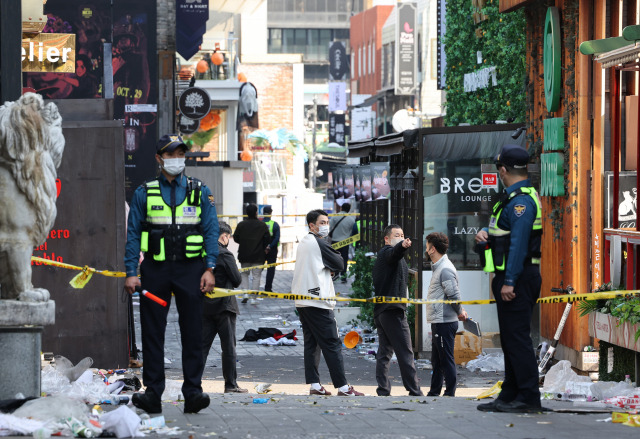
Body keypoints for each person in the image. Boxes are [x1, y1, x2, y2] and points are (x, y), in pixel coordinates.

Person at [124, 134, 218, 414]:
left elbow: (211, 230)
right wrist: (131, 272)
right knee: (153, 333)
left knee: (192, 332)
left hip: (192, 270)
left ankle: (193, 393)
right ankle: (153, 393)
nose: (177, 158)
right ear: (159, 158)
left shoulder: (199, 190)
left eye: (180, 153)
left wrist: (210, 268)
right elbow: (132, 235)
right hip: (155, 270)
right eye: (171, 154)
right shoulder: (144, 192)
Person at [474, 144, 543, 413]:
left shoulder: (521, 202)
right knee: (511, 340)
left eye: (499, 168)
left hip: (518, 276)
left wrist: (510, 281)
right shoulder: (513, 199)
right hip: (511, 275)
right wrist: (484, 234)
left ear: (503, 170)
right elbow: (504, 235)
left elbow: (519, 246)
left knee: (518, 339)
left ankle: (527, 397)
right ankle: (510, 394)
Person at [293, 209, 363, 397]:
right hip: (318, 301)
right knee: (331, 343)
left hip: (303, 300)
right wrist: (331, 268)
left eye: (326, 222)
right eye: (322, 222)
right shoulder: (318, 243)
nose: (325, 226)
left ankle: (315, 385)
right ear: (312, 225)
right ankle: (343, 387)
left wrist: (327, 269)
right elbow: (340, 262)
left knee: (312, 344)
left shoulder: (304, 242)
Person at [372, 225, 424, 397]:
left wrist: (400, 248)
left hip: (383, 310)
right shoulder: (387, 253)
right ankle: (414, 390)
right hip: (392, 311)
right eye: (397, 235)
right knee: (405, 352)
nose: (401, 237)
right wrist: (401, 247)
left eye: (402, 235)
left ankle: (383, 389)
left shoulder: (388, 256)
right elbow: (394, 254)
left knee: (384, 352)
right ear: (387, 239)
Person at [201, 221, 247, 393]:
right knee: (228, 347)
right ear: (224, 236)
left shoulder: (202, 252)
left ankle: (193, 381)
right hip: (224, 307)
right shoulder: (225, 254)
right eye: (228, 236)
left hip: (205, 306)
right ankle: (231, 384)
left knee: (202, 347)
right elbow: (236, 280)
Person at [424, 232, 468, 397]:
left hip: (444, 321)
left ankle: (450, 392)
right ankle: (434, 391)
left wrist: (460, 311)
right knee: (437, 360)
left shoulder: (445, 269)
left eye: (427, 246)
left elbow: (453, 295)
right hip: (439, 320)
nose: (426, 249)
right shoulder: (439, 267)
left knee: (446, 358)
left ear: (432, 249)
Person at [233, 203, 270, 303]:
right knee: (256, 276)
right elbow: (267, 239)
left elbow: (235, 237)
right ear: (256, 212)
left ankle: (245, 293)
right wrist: (262, 246)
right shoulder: (262, 225)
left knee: (244, 274)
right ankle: (253, 298)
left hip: (244, 254)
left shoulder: (241, 224)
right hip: (258, 255)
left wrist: (244, 242)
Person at [329, 203, 356, 282]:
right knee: (344, 259)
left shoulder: (335, 217)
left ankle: (336, 274)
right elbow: (351, 231)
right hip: (345, 242)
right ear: (349, 209)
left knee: (335, 258)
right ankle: (343, 276)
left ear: (341, 208)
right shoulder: (351, 219)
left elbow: (331, 227)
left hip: (335, 241)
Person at [262, 205, 280, 292]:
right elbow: (277, 238)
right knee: (271, 270)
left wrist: (265, 247)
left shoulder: (260, 223)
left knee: (257, 270)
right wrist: (270, 246)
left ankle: (255, 288)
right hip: (272, 250)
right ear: (271, 213)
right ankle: (268, 289)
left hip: (261, 250)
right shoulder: (275, 224)